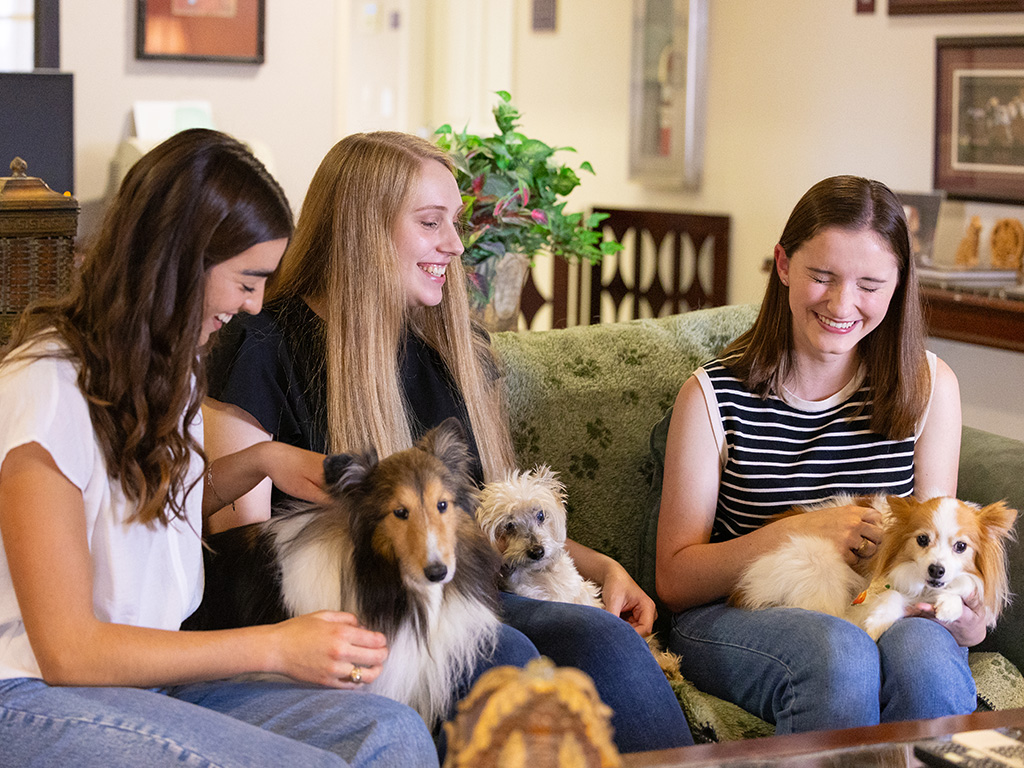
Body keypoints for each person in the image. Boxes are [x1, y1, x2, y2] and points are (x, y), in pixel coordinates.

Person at [203, 130, 694, 753]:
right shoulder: (262, 346)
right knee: (506, 654)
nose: (456, 245)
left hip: (467, 597)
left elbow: (482, 522)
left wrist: (605, 570)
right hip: (359, 616)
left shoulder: (446, 353)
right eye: (432, 222)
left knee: (606, 641)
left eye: (455, 223)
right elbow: (241, 559)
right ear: (364, 229)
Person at [0, 128, 438, 767]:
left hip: (146, 682)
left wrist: (266, 460)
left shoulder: (168, 372)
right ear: (180, 262)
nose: (256, 304)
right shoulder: (46, 384)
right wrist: (276, 647)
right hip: (33, 693)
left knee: (391, 733)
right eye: (247, 279)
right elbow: (69, 651)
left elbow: (143, 519)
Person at [655, 175, 978, 734]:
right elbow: (676, 579)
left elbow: (943, 545)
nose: (841, 304)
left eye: (870, 284)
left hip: (879, 594)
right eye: (821, 276)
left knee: (927, 662)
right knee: (841, 654)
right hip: (736, 611)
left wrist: (966, 621)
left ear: (899, 284)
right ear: (783, 265)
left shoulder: (928, 387)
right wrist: (802, 531)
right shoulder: (712, 395)